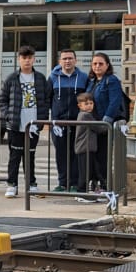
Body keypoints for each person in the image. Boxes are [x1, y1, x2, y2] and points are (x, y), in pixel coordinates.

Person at [0, 47, 51, 197]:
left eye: (30, 57)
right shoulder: (12, 78)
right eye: (24, 57)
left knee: (30, 156)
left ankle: (31, 183)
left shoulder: (40, 78)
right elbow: (2, 100)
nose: (27, 60)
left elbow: (46, 99)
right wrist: (8, 115)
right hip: (16, 125)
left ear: (34, 59)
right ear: (19, 59)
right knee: (15, 156)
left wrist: (43, 117)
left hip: (33, 125)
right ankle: (12, 184)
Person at [81, 52, 128, 193]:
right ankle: (95, 184)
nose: (97, 66)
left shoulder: (111, 80)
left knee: (103, 157)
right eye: (94, 63)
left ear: (107, 65)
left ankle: (104, 186)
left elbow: (114, 101)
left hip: (105, 126)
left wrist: (106, 121)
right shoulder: (92, 81)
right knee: (94, 156)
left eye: (101, 63)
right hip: (94, 125)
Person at [48, 49, 88, 192]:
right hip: (59, 123)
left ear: (75, 61)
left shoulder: (83, 77)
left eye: (70, 58)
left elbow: (87, 99)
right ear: (60, 61)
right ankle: (63, 183)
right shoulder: (53, 78)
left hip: (78, 123)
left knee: (76, 153)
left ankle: (75, 184)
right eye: (64, 59)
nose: (67, 61)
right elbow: (47, 98)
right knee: (61, 153)